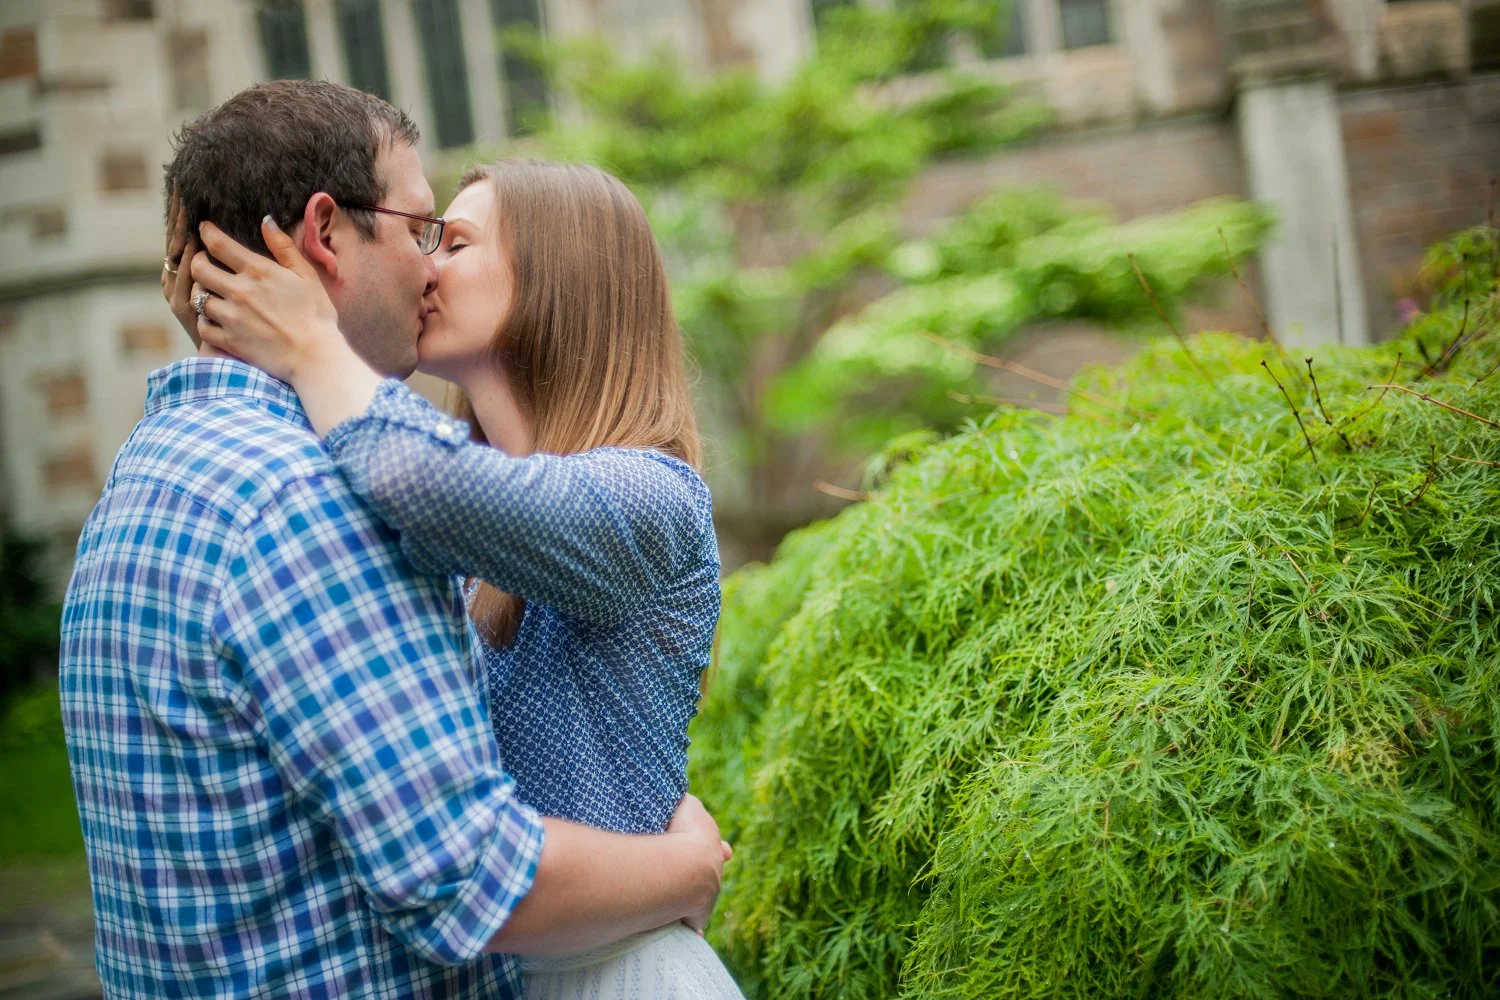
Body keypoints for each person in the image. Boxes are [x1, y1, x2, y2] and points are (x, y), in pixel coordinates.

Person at [58, 80, 728, 1000]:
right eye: (424, 232)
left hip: (617, 967)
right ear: (331, 234)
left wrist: (301, 343)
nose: (426, 267)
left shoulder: (649, 495)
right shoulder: (393, 522)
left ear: (561, 281)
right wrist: (244, 338)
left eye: (451, 242)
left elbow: (429, 479)